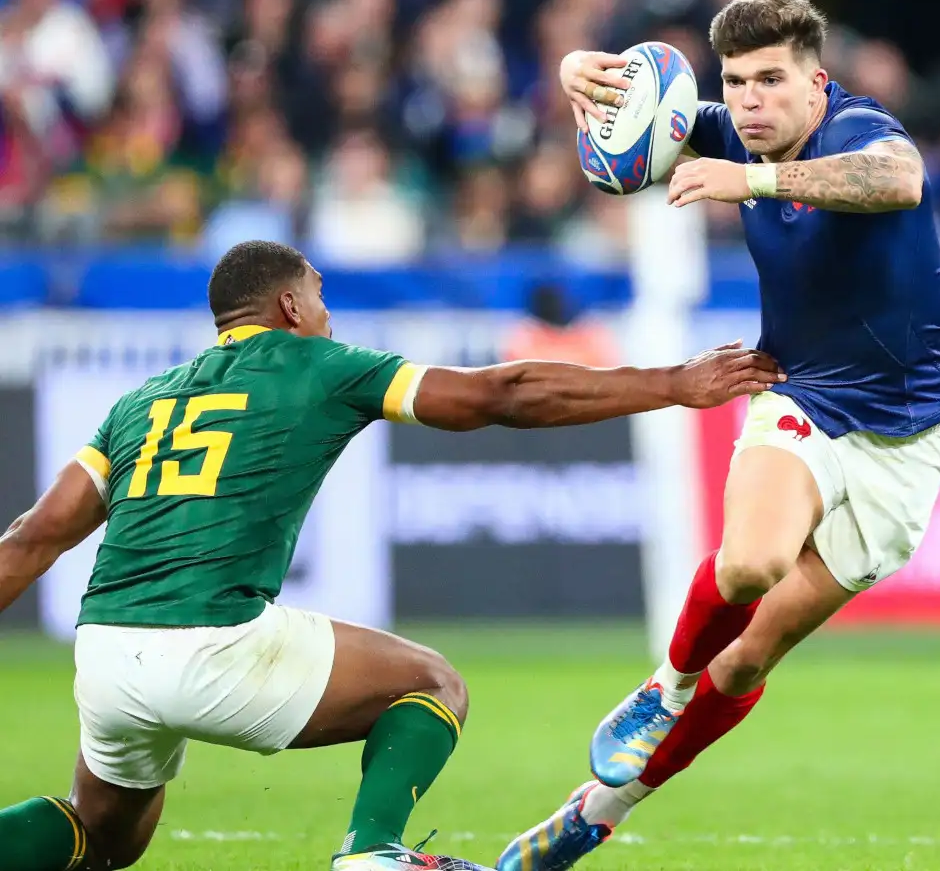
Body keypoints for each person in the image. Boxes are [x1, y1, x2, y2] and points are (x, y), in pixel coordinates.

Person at [0, 239, 783, 871]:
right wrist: (673, 382)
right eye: (321, 295)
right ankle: (372, 852)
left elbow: (33, 537)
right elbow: (499, 395)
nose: (329, 313)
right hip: (213, 643)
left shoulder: (142, 402)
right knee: (431, 683)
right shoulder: (320, 365)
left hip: (104, 652)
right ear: (290, 305)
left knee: (101, 841)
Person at [500, 0, 940, 871]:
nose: (749, 101)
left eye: (770, 81)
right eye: (736, 83)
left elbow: (898, 181)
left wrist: (749, 178)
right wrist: (576, 83)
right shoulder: (724, 128)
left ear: (817, 83)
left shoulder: (861, 133)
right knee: (749, 563)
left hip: (909, 439)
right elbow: (618, 147)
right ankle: (662, 688)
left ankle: (598, 811)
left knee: (748, 660)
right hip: (800, 394)